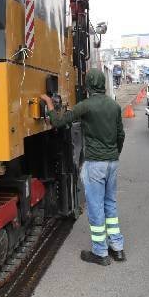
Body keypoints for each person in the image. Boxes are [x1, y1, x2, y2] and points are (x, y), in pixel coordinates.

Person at [40, 69, 126, 266]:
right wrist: (114, 155)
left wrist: (50, 103)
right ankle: (118, 248)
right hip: (112, 162)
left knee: (95, 206)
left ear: (87, 85)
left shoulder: (85, 106)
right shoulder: (114, 106)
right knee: (110, 203)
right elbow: (121, 135)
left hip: (95, 163)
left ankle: (100, 252)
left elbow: (59, 122)